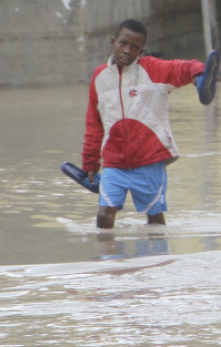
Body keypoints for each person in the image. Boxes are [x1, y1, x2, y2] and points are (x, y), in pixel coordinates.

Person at [80, 19, 206, 229]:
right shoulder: (98, 77)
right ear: (113, 42)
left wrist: (200, 74)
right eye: (123, 43)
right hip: (114, 164)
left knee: (155, 219)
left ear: (141, 50)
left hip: (149, 161)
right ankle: (110, 262)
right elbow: (94, 124)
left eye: (135, 47)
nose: (127, 50)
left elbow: (182, 68)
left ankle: (157, 260)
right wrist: (90, 164)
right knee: (104, 218)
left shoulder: (153, 69)